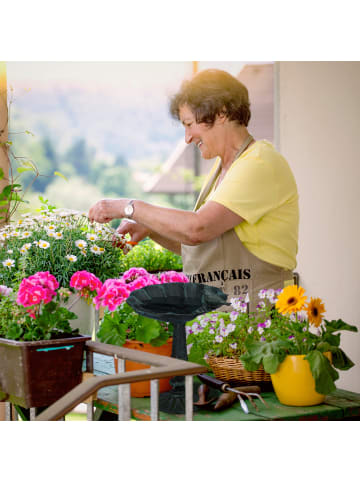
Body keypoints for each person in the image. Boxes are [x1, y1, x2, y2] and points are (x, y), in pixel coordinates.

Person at [88, 69, 299, 312]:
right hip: (223, 326)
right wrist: (149, 227)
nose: (187, 138)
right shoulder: (223, 170)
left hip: (262, 328)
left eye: (189, 124)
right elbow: (202, 249)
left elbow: (198, 228)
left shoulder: (259, 163)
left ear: (221, 113)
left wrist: (129, 207)